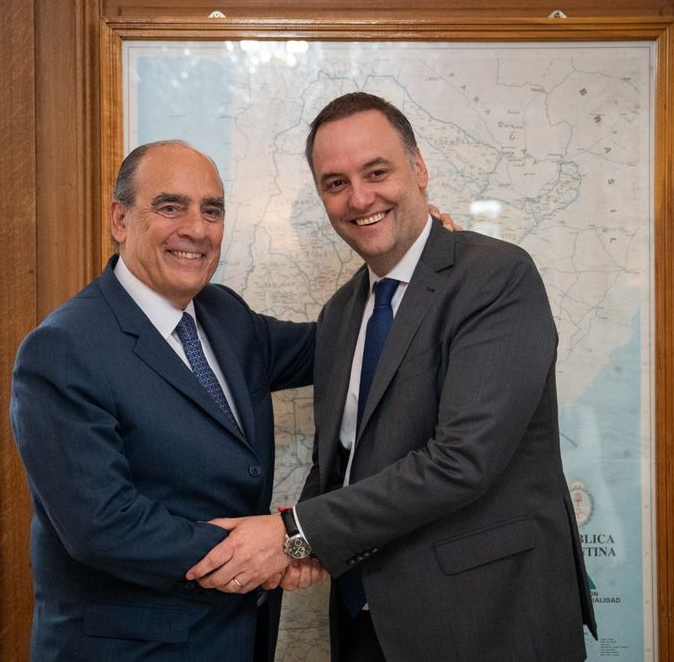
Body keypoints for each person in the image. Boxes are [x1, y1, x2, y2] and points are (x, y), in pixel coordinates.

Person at [187, 93, 598, 661]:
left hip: (487, 621)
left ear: (420, 169)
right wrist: (299, 542)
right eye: (335, 183)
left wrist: (292, 532)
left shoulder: (496, 278)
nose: (359, 198)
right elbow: (343, 463)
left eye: (377, 172)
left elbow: (461, 461)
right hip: (366, 622)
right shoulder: (340, 314)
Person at [9, 140, 322, 661]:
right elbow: (103, 526)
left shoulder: (227, 316)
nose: (197, 229)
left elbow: (332, 345)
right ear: (120, 219)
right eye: (171, 206)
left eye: (212, 210)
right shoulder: (63, 348)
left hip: (237, 641)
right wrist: (272, 548)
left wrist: (406, 258)